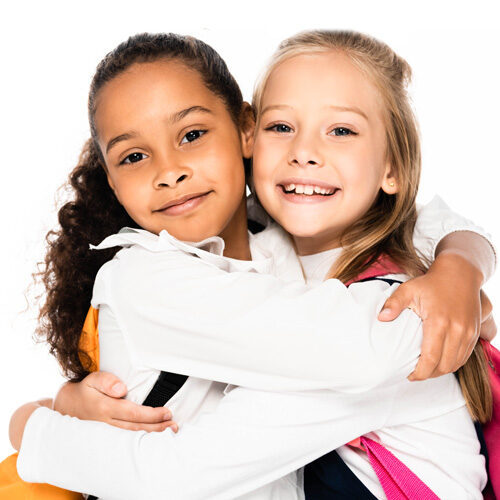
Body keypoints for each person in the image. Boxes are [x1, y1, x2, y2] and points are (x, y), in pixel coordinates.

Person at [11, 31, 496, 499]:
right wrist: (36, 419)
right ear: (111, 180)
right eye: (134, 156)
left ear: (243, 129)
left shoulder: (285, 247)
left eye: (193, 134)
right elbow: (172, 477)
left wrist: (461, 260)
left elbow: (417, 219)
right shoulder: (148, 279)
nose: (169, 171)